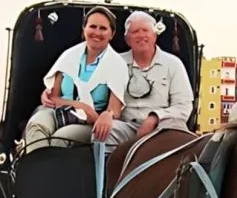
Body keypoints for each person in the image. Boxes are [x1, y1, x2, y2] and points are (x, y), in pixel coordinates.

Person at [41, 10, 194, 151]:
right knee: (102, 133)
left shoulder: (173, 64)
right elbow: (86, 85)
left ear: (155, 34)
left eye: (145, 30)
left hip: (163, 127)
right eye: (135, 32)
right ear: (127, 39)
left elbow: (184, 106)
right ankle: (106, 180)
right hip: (126, 126)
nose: (141, 35)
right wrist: (49, 92)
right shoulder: (114, 62)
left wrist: (155, 117)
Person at [22, 6, 128, 154]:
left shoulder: (117, 65)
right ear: (84, 29)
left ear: (112, 34)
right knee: (36, 126)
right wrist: (81, 106)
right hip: (60, 111)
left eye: (103, 28)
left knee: (61, 138)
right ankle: (38, 174)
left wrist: (103, 115)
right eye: (92, 26)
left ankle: (45, 173)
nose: (97, 32)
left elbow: (114, 110)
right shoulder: (69, 56)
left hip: (89, 122)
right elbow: (54, 98)